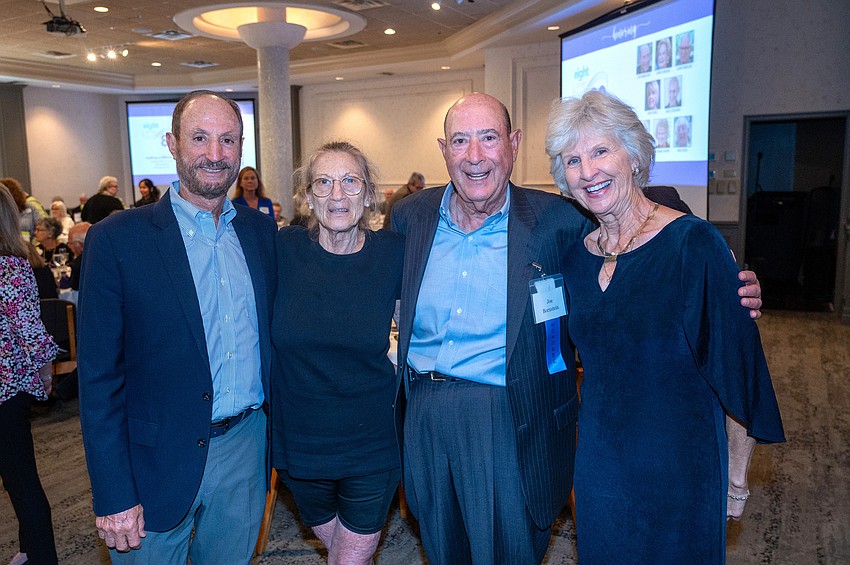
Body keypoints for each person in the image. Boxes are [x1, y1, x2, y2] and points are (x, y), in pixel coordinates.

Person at [390, 92, 764, 564]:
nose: (475, 155)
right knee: (443, 548)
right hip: (431, 414)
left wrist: (733, 284)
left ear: (514, 144)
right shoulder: (410, 216)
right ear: (443, 149)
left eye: (489, 138)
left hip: (513, 416)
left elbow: (654, 224)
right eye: (460, 140)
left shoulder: (555, 220)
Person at [544, 90, 785, 563]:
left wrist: (736, 480)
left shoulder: (693, 244)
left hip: (682, 466)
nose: (588, 170)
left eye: (600, 151)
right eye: (573, 160)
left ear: (633, 157)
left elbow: (739, 368)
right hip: (601, 466)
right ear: (564, 179)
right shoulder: (575, 258)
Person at [77, 90, 277, 564]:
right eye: (200, 138)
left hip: (244, 452)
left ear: (241, 148)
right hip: (151, 462)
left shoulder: (259, 233)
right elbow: (98, 378)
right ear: (172, 143)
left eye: (228, 140)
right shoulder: (118, 239)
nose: (215, 154)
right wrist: (112, 491)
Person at [271, 141, 404, 565]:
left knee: (349, 559)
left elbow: (425, 323)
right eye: (324, 183)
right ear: (308, 197)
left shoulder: (393, 253)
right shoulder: (283, 250)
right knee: (344, 554)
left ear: (368, 194)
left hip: (372, 439)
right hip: (300, 444)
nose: (337, 195)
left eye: (350, 182)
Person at [0, 182, 60, 565]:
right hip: (9, 391)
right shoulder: (13, 267)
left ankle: (36, 555)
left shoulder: (11, 268)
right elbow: (29, 328)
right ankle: (34, 553)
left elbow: (28, 329)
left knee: (19, 479)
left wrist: (44, 369)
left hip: (7, 391)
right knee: (19, 479)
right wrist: (46, 373)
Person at [66, 222, 91, 292]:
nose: (69, 246)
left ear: (82, 245)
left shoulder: (78, 265)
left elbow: (74, 288)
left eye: (70, 243)